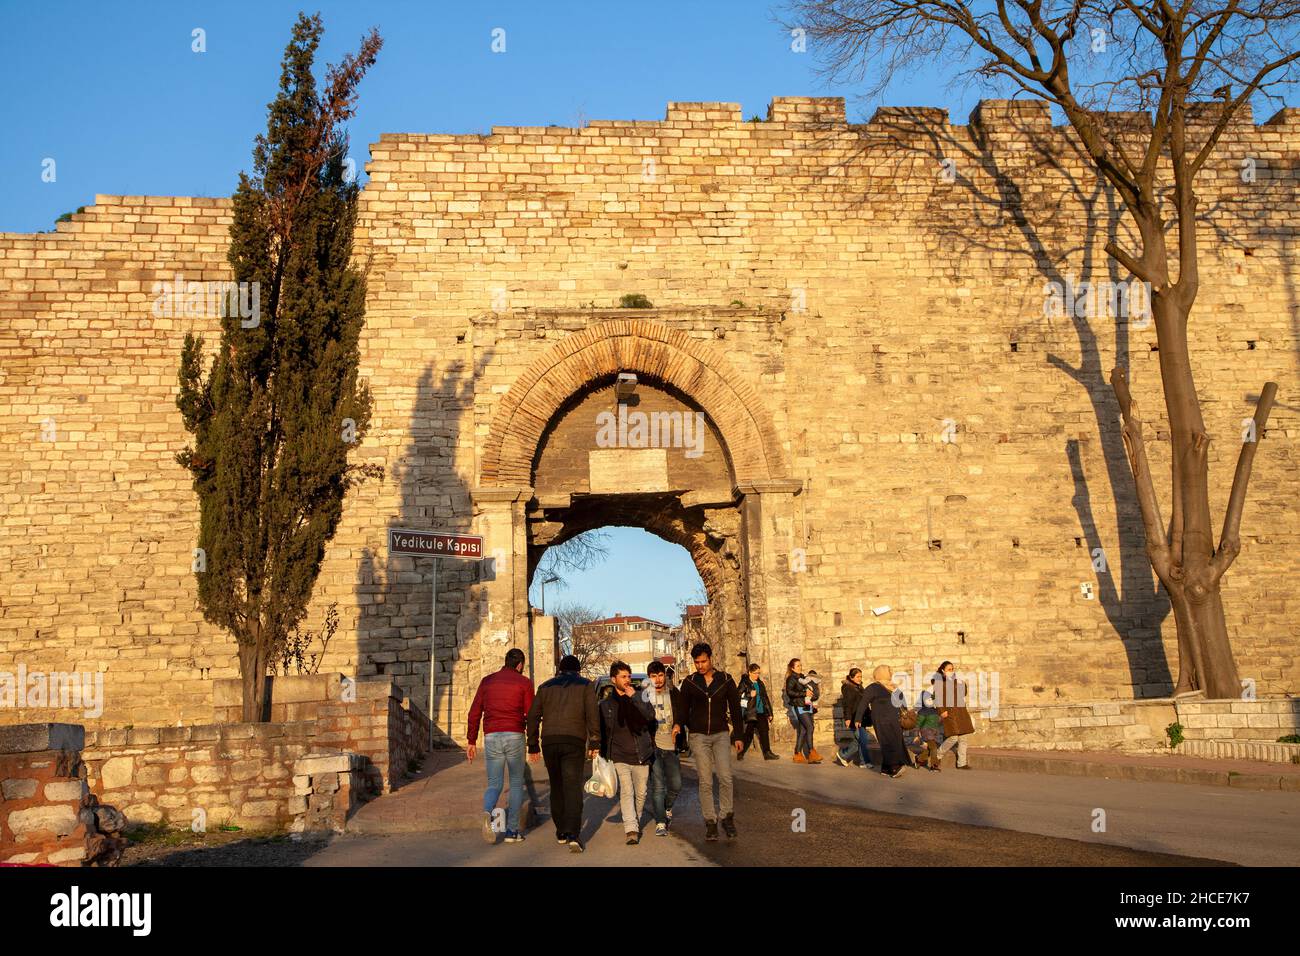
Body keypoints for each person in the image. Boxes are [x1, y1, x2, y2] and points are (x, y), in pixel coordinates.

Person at [526, 654, 600, 853]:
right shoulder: (585, 685)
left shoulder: (545, 687)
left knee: (557, 786)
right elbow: (592, 714)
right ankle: (574, 834)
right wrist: (595, 740)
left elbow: (532, 716)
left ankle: (561, 830)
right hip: (574, 741)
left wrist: (532, 745)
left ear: (560, 669)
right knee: (573, 786)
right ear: (578, 670)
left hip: (550, 742)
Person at [467, 647, 535, 843]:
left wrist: (471, 741)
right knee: (515, 783)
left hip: (491, 736)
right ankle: (512, 832)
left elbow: (474, 713)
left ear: (506, 661)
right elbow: (531, 715)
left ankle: (487, 811)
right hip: (514, 734)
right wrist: (533, 744)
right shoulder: (524, 683)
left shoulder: (487, 681)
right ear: (520, 664)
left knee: (494, 783)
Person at [678, 642, 744, 842]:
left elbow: (734, 708)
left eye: (703, 661)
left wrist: (739, 736)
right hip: (699, 737)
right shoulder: (690, 682)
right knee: (705, 780)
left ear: (711, 659)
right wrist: (678, 725)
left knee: (725, 777)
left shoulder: (725, 680)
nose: (700, 666)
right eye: (697, 662)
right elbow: (682, 708)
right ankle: (710, 822)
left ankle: (727, 817)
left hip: (721, 735)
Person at [599, 660, 656, 845]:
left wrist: (636, 698)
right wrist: (599, 753)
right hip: (619, 755)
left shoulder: (640, 696)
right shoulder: (606, 704)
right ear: (613, 679)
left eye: (629, 676)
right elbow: (603, 731)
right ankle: (631, 828)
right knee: (627, 791)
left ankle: (635, 820)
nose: (627, 680)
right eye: (623, 677)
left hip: (641, 753)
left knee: (642, 793)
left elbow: (650, 716)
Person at [645, 660, 683, 836]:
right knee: (658, 786)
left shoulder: (674, 692)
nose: (658, 680)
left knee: (676, 784)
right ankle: (660, 822)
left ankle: (666, 807)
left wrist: (678, 724)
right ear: (649, 678)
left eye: (661, 675)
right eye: (654, 676)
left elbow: (682, 713)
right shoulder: (644, 696)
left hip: (671, 744)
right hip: (653, 746)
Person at [855, 665, 909, 777]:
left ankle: (885, 768)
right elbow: (863, 703)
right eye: (889, 672)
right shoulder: (873, 687)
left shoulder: (894, 687)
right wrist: (858, 718)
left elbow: (903, 704)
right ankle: (894, 768)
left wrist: (905, 716)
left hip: (895, 720)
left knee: (896, 740)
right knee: (888, 741)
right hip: (881, 720)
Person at [933, 660, 976, 770]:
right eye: (949, 669)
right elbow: (937, 699)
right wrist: (941, 711)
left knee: (963, 738)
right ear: (943, 671)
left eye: (952, 669)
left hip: (961, 713)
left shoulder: (957, 681)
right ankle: (937, 755)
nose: (951, 671)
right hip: (949, 713)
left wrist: (963, 684)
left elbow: (964, 694)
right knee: (953, 737)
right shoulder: (939, 683)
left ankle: (962, 763)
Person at [737, 663, 780, 761]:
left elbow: (765, 698)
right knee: (748, 734)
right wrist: (748, 694)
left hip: (761, 712)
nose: (757, 675)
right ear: (749, 673)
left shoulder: (760, 683)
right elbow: (737, 695)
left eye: (758, 673)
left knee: (764, 732)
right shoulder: (744, 683)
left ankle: (767, 753)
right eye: (755, 673)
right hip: (750, 712)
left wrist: (769, 713)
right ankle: (740, 752)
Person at [834, 667, 874, 769]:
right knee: (863, 739)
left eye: (861, 676)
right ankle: (864, 761)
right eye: (857, 676)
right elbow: (847, 704)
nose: (860, 678)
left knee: (859, 740)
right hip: (855, 717)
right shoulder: (848, 688)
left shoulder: (859, 686)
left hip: (862, 717)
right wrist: (847, 718)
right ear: (851, 677)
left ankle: (843, 755)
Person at [784, 658, 821, 764]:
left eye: (801, 665)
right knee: (810, 727)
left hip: (807, 705)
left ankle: (797, 754)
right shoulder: (791, 678)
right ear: (792, 668)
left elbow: (807, 689)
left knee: (803, 730)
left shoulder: (802, 677)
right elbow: (789, 692)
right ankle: (812, 753)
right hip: (799, 706)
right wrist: (804, 694)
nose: (800, 667)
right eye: (798, 666)